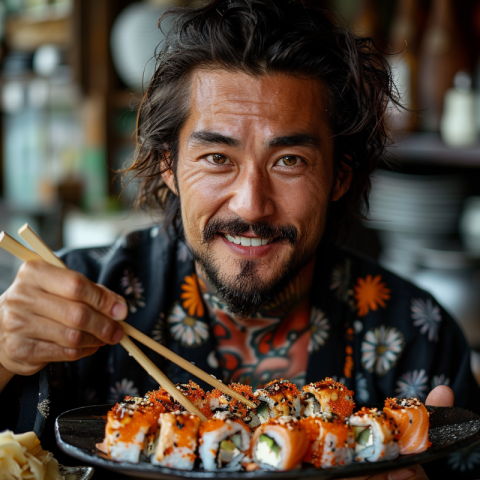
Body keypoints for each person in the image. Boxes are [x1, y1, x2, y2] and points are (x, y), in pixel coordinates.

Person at [0, 1, 479, 478]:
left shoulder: (420, 335)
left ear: (339, 176)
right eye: (216, 157)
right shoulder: (78, 299)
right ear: (169, 164)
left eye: (289, 160)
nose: (251, 205)